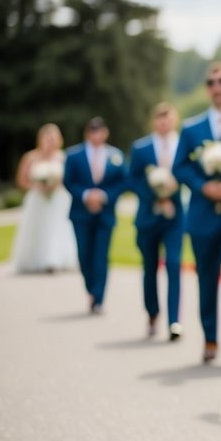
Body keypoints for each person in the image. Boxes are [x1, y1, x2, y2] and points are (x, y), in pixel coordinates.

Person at [174, 62, 221, 366]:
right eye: (212, 82)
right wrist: (205, 187)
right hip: (204, 216)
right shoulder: (192, 129)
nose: (218, 87)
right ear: (208, 89)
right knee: (206, 280)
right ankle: (210, 338)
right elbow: (180, 167)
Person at [127, 103, 185, 340]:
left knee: (173, 263)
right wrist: (156, 195)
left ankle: (174, 321)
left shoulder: (182, 144)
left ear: (174, 120)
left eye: (168, 119)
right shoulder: (141, 148)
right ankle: (152, 314)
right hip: (148, 217)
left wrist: (172, 193)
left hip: (175, 217)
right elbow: (132, 180)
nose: (164, 123)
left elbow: (187, 173)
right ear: (154, 122)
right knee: (149, 268)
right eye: (160, 119)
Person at [62, 117, 127, 313]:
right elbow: (68, 181)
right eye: (92, 130)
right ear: (87, 133)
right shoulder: (74, 155)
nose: (96, 134)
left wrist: (104, 196)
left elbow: (123, 181)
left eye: (99, 130)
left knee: (101, 256)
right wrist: (86, 195)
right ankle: (90, 287)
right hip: (81, 214)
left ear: (105, 133)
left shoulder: (115, 155)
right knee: (84, 255)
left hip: (105, 214)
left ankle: (98, 297)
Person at [11, 123, 78, 274]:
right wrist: (37, 187)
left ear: (59, 140)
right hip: (37, 199)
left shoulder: (64, 157)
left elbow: (70, 180)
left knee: (58, 228)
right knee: (36, 229)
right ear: (40, 140)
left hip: (58, 199)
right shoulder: (30, 157)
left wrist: (55, 185)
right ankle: (34, 260)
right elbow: (21, 181)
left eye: (53, 139)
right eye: (47, 139)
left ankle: (54, 260)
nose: (50, 142)